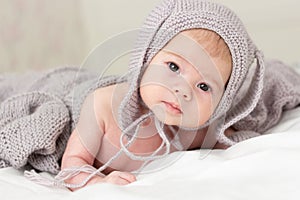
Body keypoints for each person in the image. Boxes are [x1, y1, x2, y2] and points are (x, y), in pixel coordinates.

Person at [24, 0, 300, 190]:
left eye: (204, 86)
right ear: (146, 57)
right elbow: (72, 165)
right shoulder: (102, 107)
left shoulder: (198, 131)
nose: (182, 90)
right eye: (173, 66)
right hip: (71, 91)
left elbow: (236, 139)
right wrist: (97, 183)